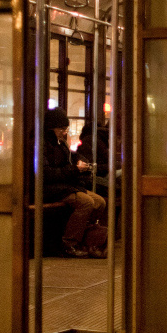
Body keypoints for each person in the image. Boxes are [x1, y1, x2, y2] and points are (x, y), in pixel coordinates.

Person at [42, 107, 106, 257]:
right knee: (86, 202)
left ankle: (84, 236)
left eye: (66, 129)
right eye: (61, 129)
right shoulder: (42, 145)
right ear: (52, 128)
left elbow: (71, 159)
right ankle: (69, 243)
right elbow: (46, 174)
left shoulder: (60, 144)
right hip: (50, 188)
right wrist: (74, 170)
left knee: (100, 202)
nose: (64, 132)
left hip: (64, 186)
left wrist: (81, 164)